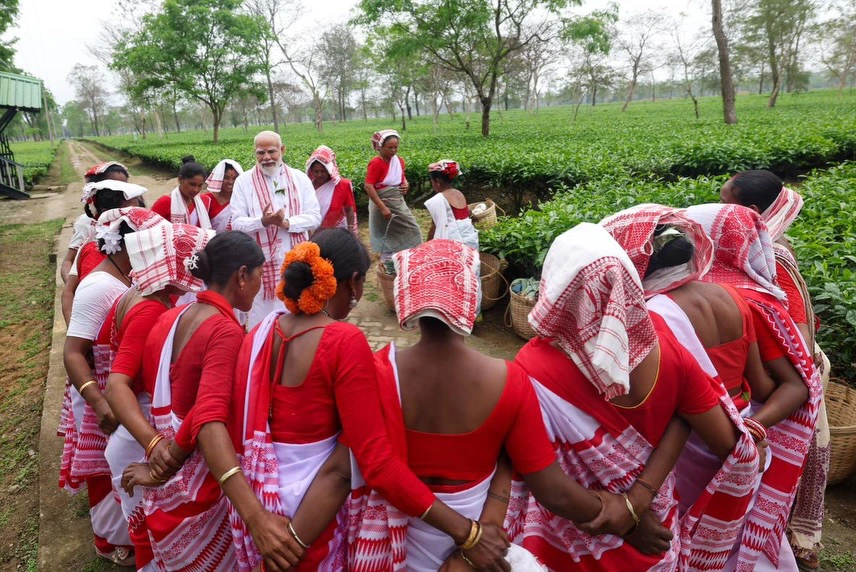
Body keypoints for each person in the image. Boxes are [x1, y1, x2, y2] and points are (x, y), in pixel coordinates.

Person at [345, 238, 683, 572]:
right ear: (472, 296)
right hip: (486, 539)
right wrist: (625, 515)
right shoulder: (508, 380)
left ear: (406, 296)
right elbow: (551, 489)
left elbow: (372, 466)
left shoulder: (377, 372)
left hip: (402, 538)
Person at [217, 229, 515, 572]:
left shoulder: (260, 332)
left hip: (257, 513)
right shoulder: (343, 341)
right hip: (307, 523)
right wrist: (467, 533)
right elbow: (356, 467)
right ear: (354, 282)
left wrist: (258, 521)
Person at [507, 223, 761, 571]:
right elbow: (716, 436)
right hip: (654, 540)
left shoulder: (531, 367)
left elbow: (542, 479)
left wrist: (627, 516)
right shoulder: (671, 350)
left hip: (567, 545)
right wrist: (639, 500)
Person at [118, 231, 265, 571]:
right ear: (242, 275)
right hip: (196, 480)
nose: (260, 285)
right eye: (258, 274)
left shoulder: (169, 317)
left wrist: (156, 448)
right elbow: (207, 413)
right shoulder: (225, 331)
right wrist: (169, 458)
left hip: (163, 473)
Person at [686, 203, 821, 570]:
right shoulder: (753, 296)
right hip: (744, 431)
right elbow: (785, 384)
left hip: (720, 434)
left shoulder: (737, 299)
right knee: (739, 523)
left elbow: (785, 385)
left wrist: (752, 427)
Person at [720, 171, 830, 570]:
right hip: (777, 367)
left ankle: (790, 540)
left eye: (724, 201)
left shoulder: (771, 255)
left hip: (792, 370)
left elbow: (797, 340)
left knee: (784, 465)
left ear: (749, 211)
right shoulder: (752, 247)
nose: (719, 209)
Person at [102, 222, 215, 571]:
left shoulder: (146, 293)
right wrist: (154, 445)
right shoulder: (153, 308)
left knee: (149, 527)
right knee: (150, 531)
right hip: (141, 433)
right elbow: (117, 384)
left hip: (137, 428)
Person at [60, 207, 167, 567]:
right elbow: (73, 353)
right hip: (99, 392)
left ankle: (127, 532)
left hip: (118, 386)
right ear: (131, 243)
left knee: (118, 464)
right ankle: (106, 538)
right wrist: (100, 402)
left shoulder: (126, 277)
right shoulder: (98, 285)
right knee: (103, 469)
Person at [231, 131, 321, 329]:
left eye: (271, 151)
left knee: (296, 316)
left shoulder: (299, 179)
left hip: (296, 262)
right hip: (260, 267)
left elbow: (315, 216)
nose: (266, 158)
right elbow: (236, 222)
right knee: (261, 321)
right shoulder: (243, 182)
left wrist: (286, 223)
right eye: (260, 153)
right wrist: (262, 221)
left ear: (282, 150)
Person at [61, 180, 148, 326]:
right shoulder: (96, 250)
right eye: (129, 210)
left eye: (137, 208)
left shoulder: (138, 242)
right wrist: (77, 333)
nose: (137, 215)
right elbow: (69, 293)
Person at [61, 161, 131, 282]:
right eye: (114, 188)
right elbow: (68, 261)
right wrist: (74, 289)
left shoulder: (131, 219)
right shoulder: (87, 223)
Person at [364, 129, 422, 260]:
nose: (393, 150)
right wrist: (382, 207)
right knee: (385, 231)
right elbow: (368, 186)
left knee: (411, 228)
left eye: (396, 147)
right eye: (389, 147)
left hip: (397, 201)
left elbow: (401, 177)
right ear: (380, 147)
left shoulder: (399, 161)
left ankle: (406, 258)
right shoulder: (376, 163)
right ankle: (388, 262)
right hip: (381, 203)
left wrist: (406, 183)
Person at [425, 160, 478, 250]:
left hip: (453, 243)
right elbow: (468, 213)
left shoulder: (439, 199)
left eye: (432, 182)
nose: (432, 185)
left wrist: (426, 246)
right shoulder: (459, 193)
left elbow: (435, 226)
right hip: (470, 241)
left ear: (437, 181)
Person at [151, 155, 213, 229]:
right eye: (192, 184)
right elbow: (150, 229)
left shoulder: (203, 201)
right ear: (180, 179)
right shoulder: (165, 202)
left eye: (200, 185)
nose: (196, 190)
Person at [305, 145, 357, 234]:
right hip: (313, 232)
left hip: (336, 232)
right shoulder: (307, 186)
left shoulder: (342, 185)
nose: (319, 175)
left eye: (323, 171)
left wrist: (350, 230)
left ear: (330, 170)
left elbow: (349, 209)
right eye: (316, 171)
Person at [205, 159, 244, 232]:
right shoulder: (206, 199)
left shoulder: (241, 200)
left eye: (234, 178)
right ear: (219, 178)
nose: (230, 182)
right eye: (226, 177)